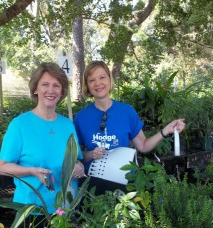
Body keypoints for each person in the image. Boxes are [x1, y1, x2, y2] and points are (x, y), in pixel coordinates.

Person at [74, 60, 185, 194]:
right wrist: (92, 154)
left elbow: (143, 146)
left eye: (102, 77)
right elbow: (77, 157)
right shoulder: (81, 118)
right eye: (92, 80)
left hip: (124, 181)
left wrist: (166, 131)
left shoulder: (126, 112)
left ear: (110, 80)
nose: (98, 83)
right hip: (93, 184)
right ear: (87, 85)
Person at [0, 62, 85, 218]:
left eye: (56, 85)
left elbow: (76, 160)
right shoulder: (20, 125)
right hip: (33, 211)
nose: (50, 90)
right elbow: (3, 167)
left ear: (62, 91)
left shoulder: (67, 125)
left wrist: (78, 167)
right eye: (45, 84)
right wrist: (31, 171)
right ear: (35, 89)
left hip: (66, 209)